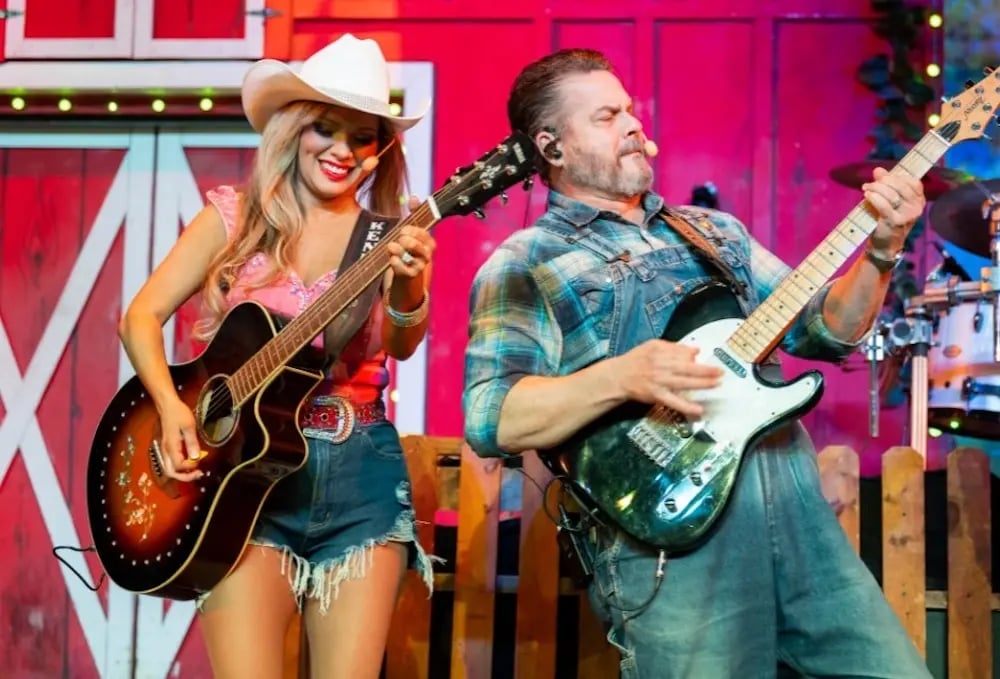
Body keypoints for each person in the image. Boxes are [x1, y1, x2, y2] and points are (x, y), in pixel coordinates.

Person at [462, 48, 932, 678]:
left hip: (797, 518)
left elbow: (827, 332)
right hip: (672, 541)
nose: (633, 124)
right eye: (606, 116)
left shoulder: (715, 232)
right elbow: (491, 416)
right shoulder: (527, 261)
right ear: (552, 147)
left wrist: (880, 252)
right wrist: (620, 375)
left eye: (629, 109)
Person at [118, 34, 437, 679]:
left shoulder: (390, 235)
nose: (343, 150)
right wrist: (172, 412)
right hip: (242, 479)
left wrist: (410, 289)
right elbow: (140, 318)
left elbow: (402, 342)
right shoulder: (234, 217)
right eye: (326, 128)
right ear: (294, 130)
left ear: (381, 152)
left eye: (365, 137)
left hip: (360, 476)